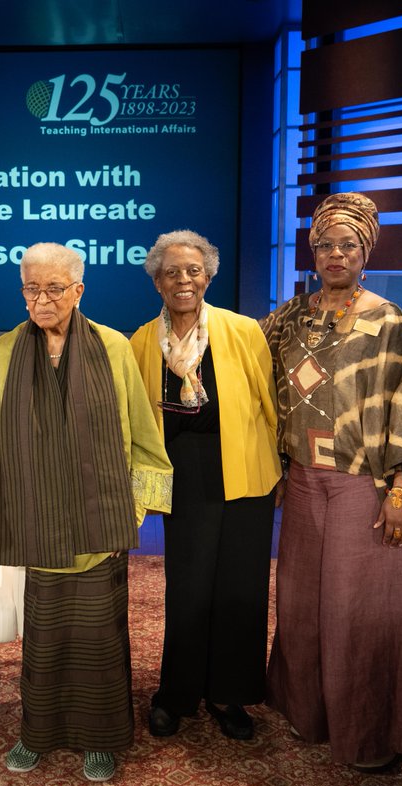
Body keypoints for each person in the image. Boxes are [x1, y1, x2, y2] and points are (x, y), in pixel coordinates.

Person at [260, 192, 402, 773]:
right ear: (311, 251)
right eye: (324, 244)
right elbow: (239, 364)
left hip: (360, 485)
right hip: (301, 484)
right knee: (300, 605)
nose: (334, 253)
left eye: (347, 244)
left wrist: (401, 491)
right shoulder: (290, 317)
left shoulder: (386, 318)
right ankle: (310, 715)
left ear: (364, 250)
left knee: (361, 610)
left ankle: (370, 736)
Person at [0, 242, 173, 783]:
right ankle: (36, 732)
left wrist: (128, 512)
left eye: (54, 288)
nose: (41, 300)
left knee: (98, 635)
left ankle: (100, 739)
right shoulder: (6, 351)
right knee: (43, 634)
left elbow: (139, 430)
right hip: (39, 514)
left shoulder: (111, 346)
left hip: (97, 518)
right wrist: (1, 507)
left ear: (78, 291)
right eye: (30, 289)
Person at [129, 230, 280, 741]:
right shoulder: (142, 340)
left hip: (243, 471)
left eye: (193, 271)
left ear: (209, 276)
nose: (183, 280)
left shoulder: (242, 331)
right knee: (189, 588)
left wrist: (277, 471)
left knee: (240, 588)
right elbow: (137, 420)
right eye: (171, 272)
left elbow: (270, 405)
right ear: (157, 281)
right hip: (184, 476)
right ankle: (177, 692)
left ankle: (228, 693)